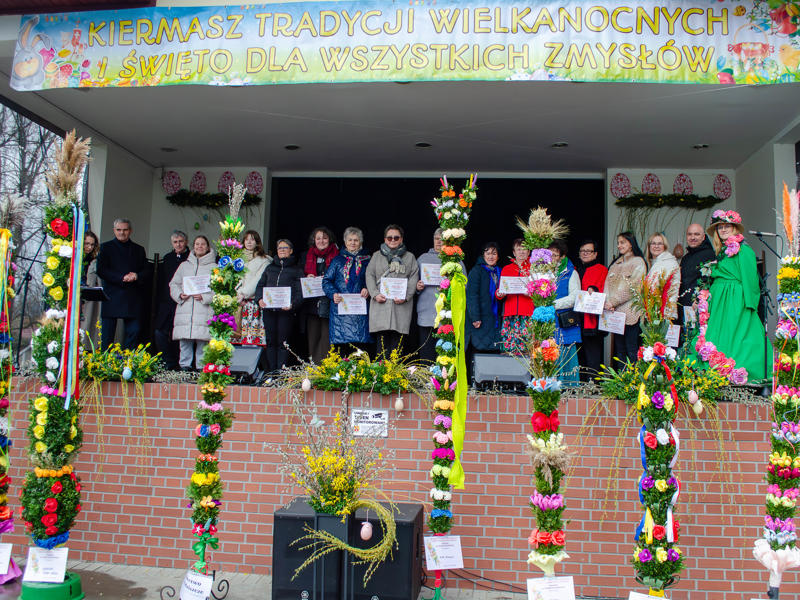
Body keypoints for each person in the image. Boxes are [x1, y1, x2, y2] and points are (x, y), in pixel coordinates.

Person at [701, 211, 770, 381]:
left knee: (739, 335)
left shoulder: (743, 250)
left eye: (726, 226)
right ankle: (717, 371)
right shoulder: (723, 251)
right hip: (720, 301)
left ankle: (740, 372)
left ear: (734, 229)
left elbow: (750, 279)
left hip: (735, 300)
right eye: (720, 227)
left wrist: (749, 304)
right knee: (719, 335)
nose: (723, 230)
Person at [96, 218, 151, 350]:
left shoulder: (138, 249)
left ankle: (128, 363)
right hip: (111, 296)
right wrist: (121, 278)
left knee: (134, 332)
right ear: (114, 231)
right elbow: (101, 270)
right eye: (119, 230)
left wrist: (136, 276)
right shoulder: (105, 247)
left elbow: (147, 270)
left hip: (132, 297)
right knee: (107, 336)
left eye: (125, 230)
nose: (122, 233)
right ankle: (105, 364)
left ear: (130, 231)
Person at [365, 224, 419, 356]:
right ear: (385, 239)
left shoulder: (410, 257)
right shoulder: (376, 256)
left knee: (397, 348)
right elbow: (369, 275)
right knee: (381, 348)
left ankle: (395, 376)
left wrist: (405, 296)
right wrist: (375, 294)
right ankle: (382, 376)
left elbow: (413, 278)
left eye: (396, 237)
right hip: (380, 306)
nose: (393, 240)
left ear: (401, 239)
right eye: (389, 238)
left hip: (400, 307)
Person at [256, 239, 303, 372]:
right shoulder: (270, 268)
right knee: (270, 342)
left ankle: (281, 373)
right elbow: (260, 285)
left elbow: (300, 292)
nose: (282, 250)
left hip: (286, 312)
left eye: (285, 247)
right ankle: (271, 372)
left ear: (291, 251)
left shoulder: (296, 269)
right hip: (269, 311)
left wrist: (293, 304)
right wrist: (259, 299)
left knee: (283, 343)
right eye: (279, 248)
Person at [323, 227, 372, 354]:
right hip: (341, 312)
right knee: (343, 349)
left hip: (360, 312)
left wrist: (368, 289)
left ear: (361, 242)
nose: (353, 243)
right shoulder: (337, 260)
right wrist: (333, 294)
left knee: (360, 349)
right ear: (345, 242)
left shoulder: (368, 260)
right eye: (350, 240)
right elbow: (326, 281)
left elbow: (374, 279)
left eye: (356, 240)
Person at [169, 236, 215, 371]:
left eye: (202, 244)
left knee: (202, 343)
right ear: (193, 246)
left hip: (204, 309)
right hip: (185, 308)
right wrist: (179, 295)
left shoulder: (214, 267)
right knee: (184, 343)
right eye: (197, 244)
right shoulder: (184, 265)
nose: (199, 246)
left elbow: (219, 291)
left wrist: (205, 297)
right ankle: (185, 369)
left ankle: (201, 370)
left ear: (207, 247)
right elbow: (174, 284)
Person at [604, 232, 647, 365]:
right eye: (618, 243)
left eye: (623, 242)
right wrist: (607, 302)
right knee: (619, 351)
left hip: (631, 314)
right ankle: (621, 382)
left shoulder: (638, 262)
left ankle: (633, 383)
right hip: (615, 314)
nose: (619, 245)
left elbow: (632, 287)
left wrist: (613, 301)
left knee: (631, 350)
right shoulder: (615, 264)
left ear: (631, 244)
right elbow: (607, 285)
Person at [302, 226, 338, 364]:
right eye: (318, 238)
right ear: (313, 240)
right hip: (312, 303)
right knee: (313, 336)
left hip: (329, 302)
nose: (321, 241)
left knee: (326, 337)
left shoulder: (337, 255)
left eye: (324, 238)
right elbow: (299, 276)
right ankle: (313, 367)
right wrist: (307, 276)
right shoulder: (306, 256)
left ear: (329, 239)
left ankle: (325, 367)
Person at [154, 231, 189, 370]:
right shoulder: (168, 258)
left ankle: (180, 364)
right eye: (175, 242)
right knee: (160, 331)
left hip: (184, 301)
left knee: (180, 333)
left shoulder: (190, 258)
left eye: (181, 241)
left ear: (186, 242)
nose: (178, 244)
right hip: (167, 301)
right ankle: (167, 362)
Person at [549, 239, 581, 385]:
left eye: (555, 255)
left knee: (565, 350)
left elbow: (574, 297)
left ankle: (567, 385)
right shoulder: (545, 272)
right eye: (549, 255)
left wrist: (552, 304)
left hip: (563, 320)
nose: (552, 258)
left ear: (562, 256)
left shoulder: (571, 273)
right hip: (549, 320)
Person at [575, 239, 607, 381]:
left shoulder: (602, 269)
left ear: (595, 254)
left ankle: (594, 385)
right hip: (577, 318)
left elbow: (603, 290)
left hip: (592, 319)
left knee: (593, 353)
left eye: (588, 251)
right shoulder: (576, 270)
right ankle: (581, 383)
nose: (585, 254)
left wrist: (594, 290)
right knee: (579, 352)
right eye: (583, 251)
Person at [496, 239, 533, 355]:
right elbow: (500, 291)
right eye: (519, 249)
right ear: (514, 252)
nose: (522, 252)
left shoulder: (533, 269)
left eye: (524, 249)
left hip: (527, 313)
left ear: (529, 252)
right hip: (510, 313)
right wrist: (499, 294)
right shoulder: (506, 269)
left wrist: (531, 293)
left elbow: (540, 292)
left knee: (526, 349)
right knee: (509, 350)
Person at [466, 242, 503, 354]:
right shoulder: (476, 271)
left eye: (494, 253)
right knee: (480, 351)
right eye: (488, 253)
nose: (491, 256)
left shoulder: (500, 271)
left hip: (495, 318)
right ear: (483, 255)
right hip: (481, 318)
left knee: (495, 351)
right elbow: (472, 296)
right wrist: (475, 317)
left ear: (498, 256)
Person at [677, 223, 716, 327]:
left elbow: (709, 282)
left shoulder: (710, 255)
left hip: (700, 308)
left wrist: (699, 300)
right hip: (684, 309)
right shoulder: (685, 258)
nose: (693, 237)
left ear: (703, 237)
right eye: (690, 234)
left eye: (696, 234)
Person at [236, 230, 271, 346]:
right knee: (237, 337)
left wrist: (243, 294)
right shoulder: (238, 259)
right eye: (247, 239)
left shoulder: (263, 260)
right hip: (238, 303)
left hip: (252, 303)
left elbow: (257, 281)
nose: (249, 242)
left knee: (251, 339)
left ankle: (252, 363)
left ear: (257, 242)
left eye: (252, 239)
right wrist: (236, 294)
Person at [645, 232, 681, 321]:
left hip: (664, 313)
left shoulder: (668, 262)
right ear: (649, 246)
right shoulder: (656, 263)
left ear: (664, 246)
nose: (656, 246)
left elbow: (656, 288)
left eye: (659, 243)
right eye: (653, 243)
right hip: (655, 311)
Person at [80, 231, 101, 349]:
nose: (89, 247)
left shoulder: (94, 260)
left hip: (87, 295)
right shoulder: (76, 257)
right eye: (87, 244)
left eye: (92, 244)